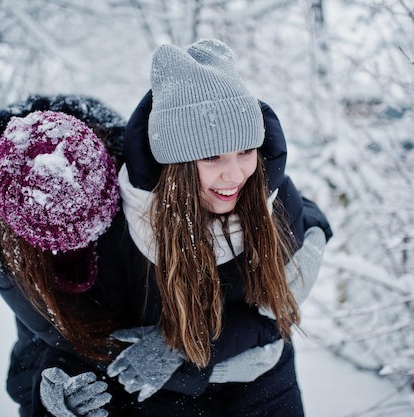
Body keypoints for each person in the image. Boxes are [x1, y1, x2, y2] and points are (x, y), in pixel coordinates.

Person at [86, 38, 333, 416]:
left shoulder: (272, 201)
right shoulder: (124, 224)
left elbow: (275, 318)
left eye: (245, 151)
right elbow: (103, 337)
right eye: (211, 156)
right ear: (175, 165)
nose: (235, 175)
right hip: (167, 405)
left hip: (267, 393)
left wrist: (187, 349)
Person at [0, 95, 136, 416]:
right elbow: (43, 351)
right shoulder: (6, 251)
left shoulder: (133, 193)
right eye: (60, 240)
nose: (79, 244)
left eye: (91, 227)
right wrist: (50, 400)